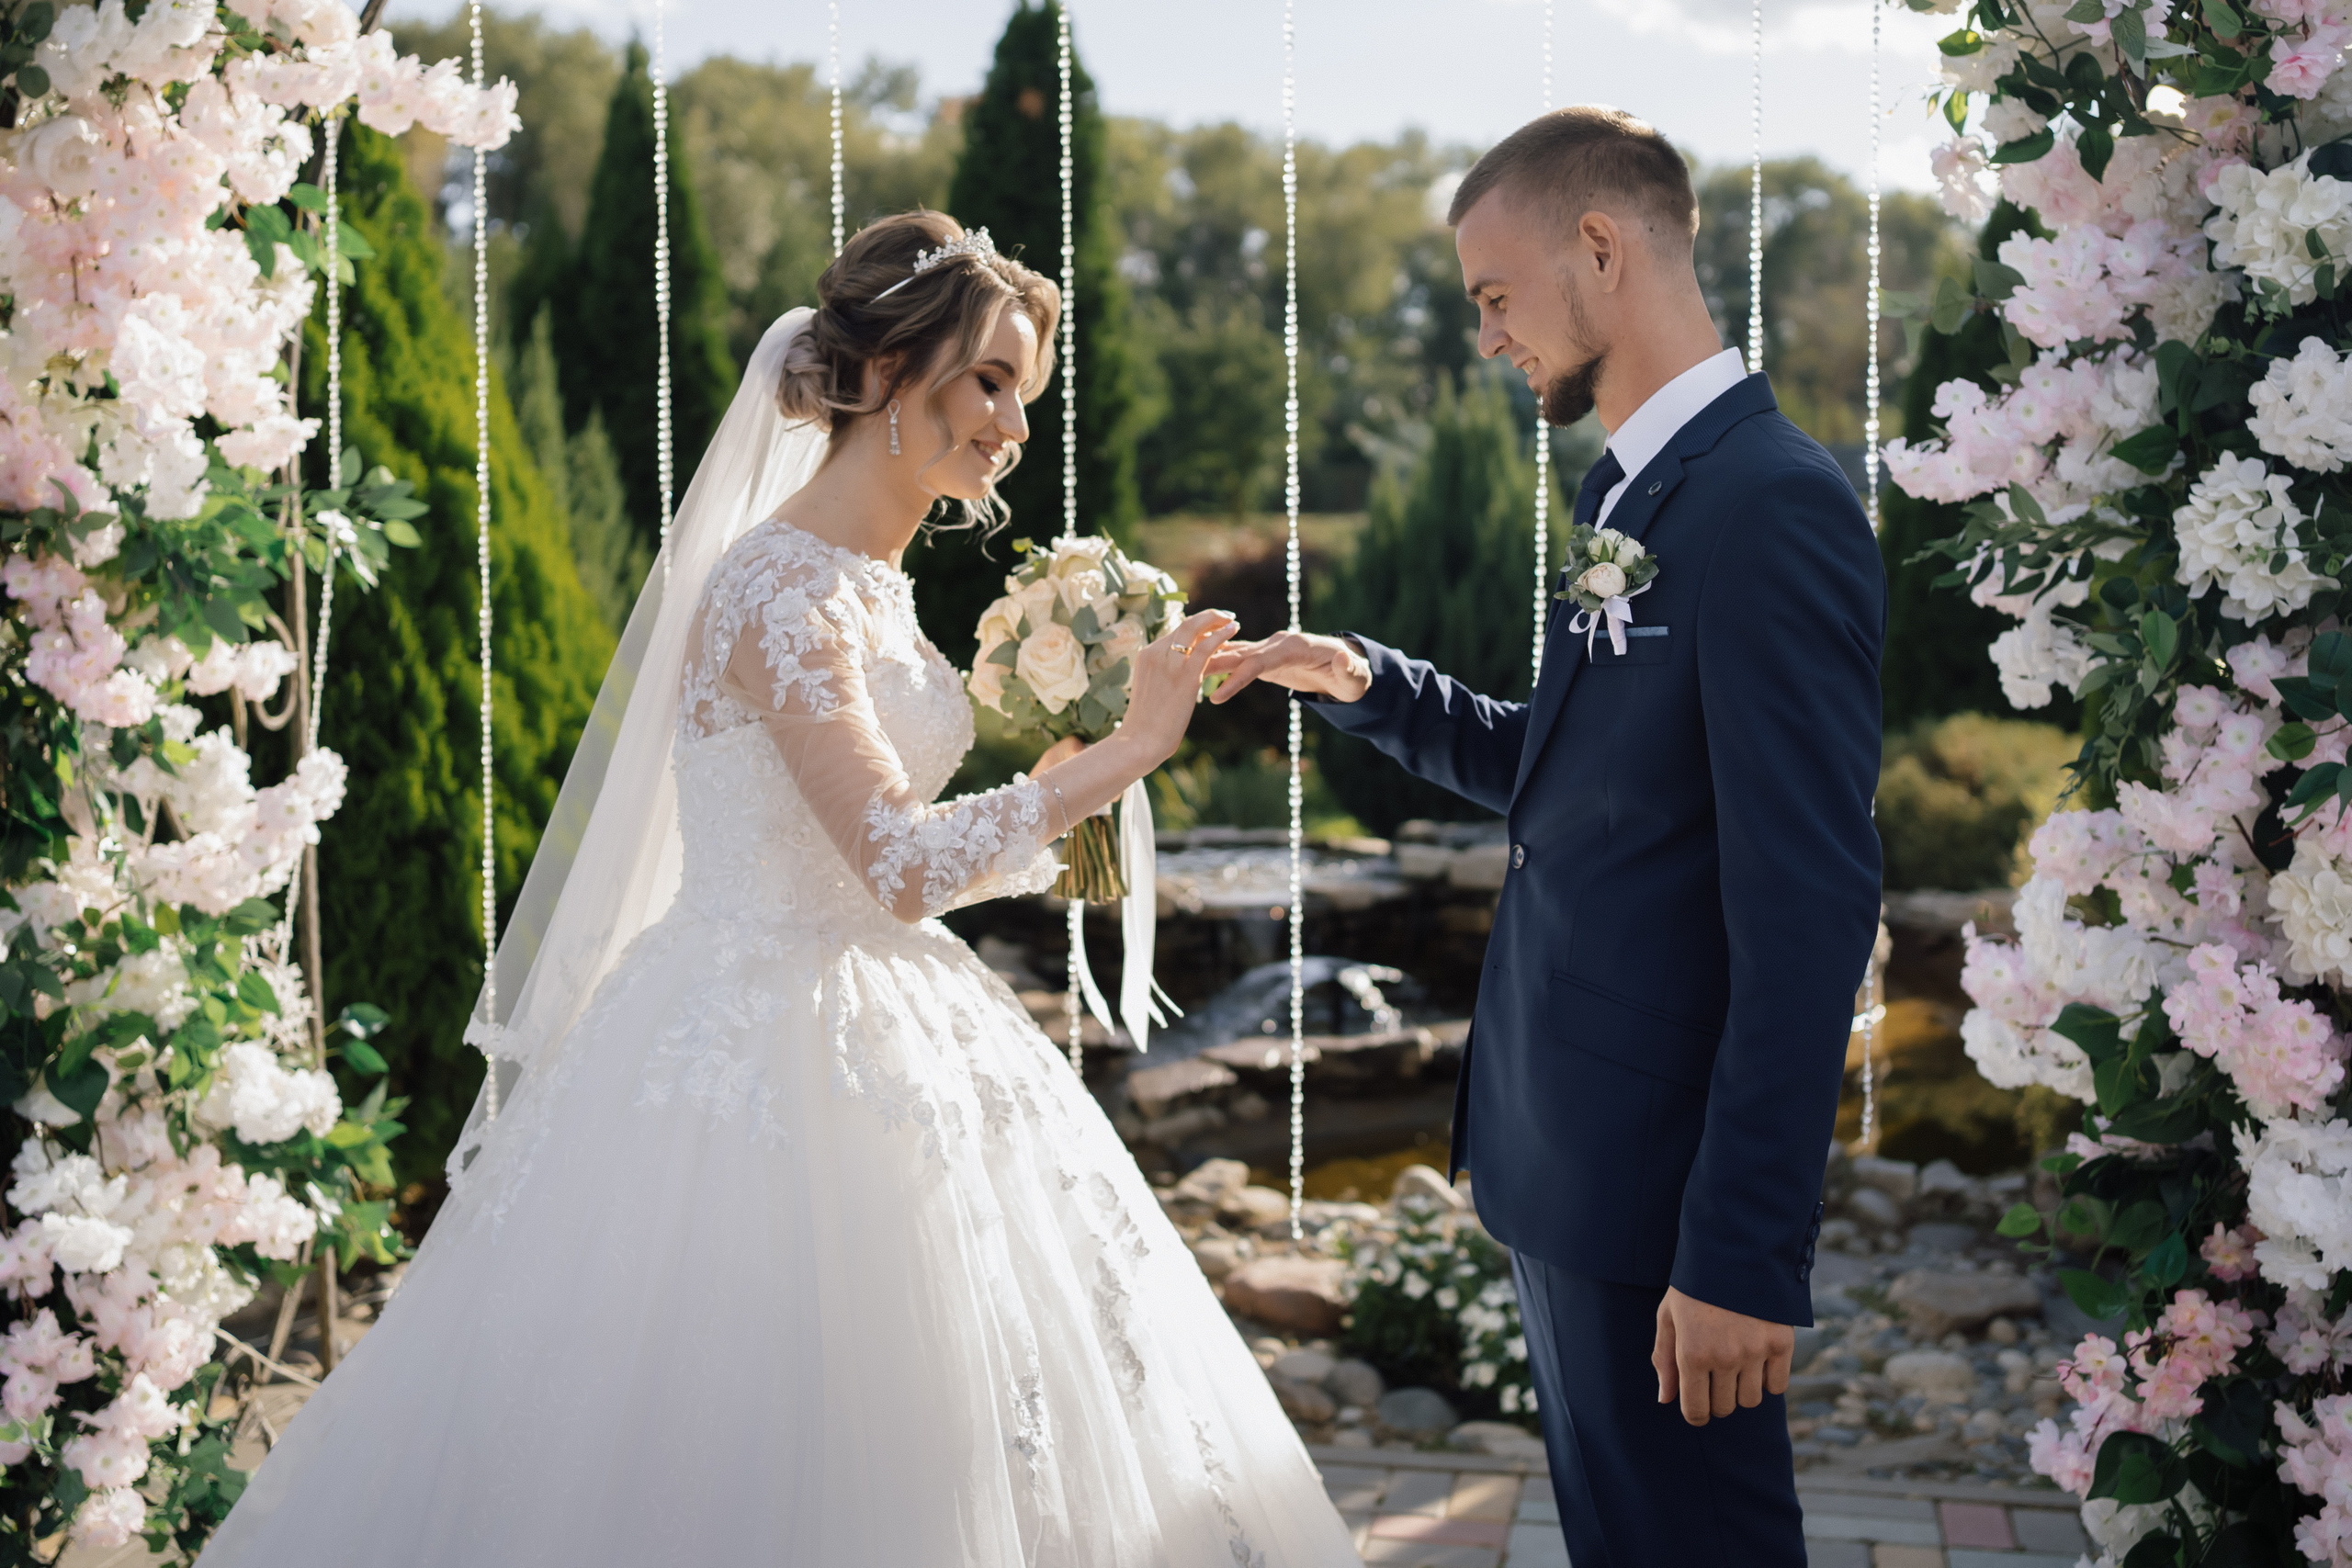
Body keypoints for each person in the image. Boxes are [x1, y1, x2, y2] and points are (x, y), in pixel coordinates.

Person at [199, 211, 1362, 1568]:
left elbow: (893, 855)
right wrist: (1124, 753)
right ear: (878, 374)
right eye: (988, 380)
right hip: (751, 1050)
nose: (1012, 426)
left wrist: (1077, 780)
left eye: (1022, 394)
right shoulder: (775, 589)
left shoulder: (871, 582)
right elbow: (896, 861)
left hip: (887, 1016)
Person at [1209, 107, 1884, 1566]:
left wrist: (1742, 1256)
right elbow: (1578, 778)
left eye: (1496, 298)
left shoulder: (1773, 509)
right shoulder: (1628, 488)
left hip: (1661, 1205)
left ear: (1602, 247)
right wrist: (1374, 685)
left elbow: (1811, 912)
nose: (1488, 338)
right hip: (1564, 1165)